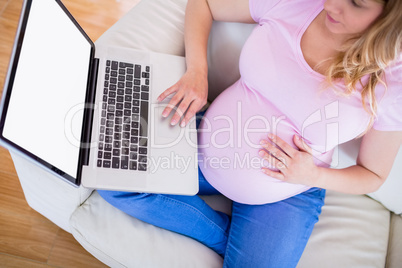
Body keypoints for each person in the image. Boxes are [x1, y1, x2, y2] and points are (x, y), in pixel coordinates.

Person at [99, 0, 402, 266]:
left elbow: (373, 174)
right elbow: (203, 2)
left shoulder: (393, 82)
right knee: (115, 181)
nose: (330, 5)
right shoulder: (295, 3)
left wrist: (312, 176)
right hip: (205, 140)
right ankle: (229, 240)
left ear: (392, 15)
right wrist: (197, 71)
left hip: (289, 189)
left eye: (356, 2)